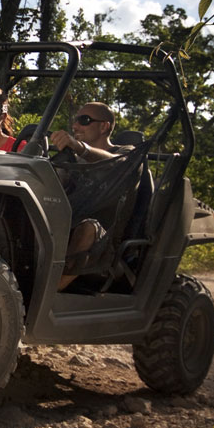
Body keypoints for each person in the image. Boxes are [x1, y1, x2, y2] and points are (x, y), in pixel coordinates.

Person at [49, 102, 134, 290]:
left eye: (84, 120)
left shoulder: (126, 154)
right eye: (75, 121)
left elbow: (116, 164)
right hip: (65, 226)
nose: (75, 126)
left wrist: (80, 147)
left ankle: (48, 294)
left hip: (103, 241)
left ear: (104, 126)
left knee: (88, 227)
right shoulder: (73, 160)